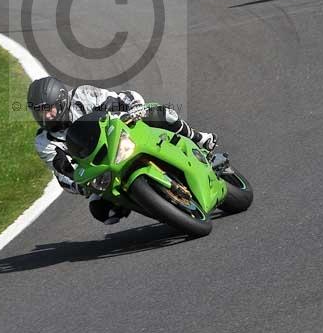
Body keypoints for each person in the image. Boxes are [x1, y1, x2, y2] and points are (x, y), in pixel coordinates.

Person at [27, 76, 218, 225]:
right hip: (102, 169)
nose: (45, 116)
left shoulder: (82, 96)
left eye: (48, 109)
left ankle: (200, 138)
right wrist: (79, 185)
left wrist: (133, 109)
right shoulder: (44, 141)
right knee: (100, 210)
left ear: (61, 100)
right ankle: (162, 208)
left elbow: (120, 99)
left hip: (124, 134)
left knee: (157, 113)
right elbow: (61, 171)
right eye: (38, 111)